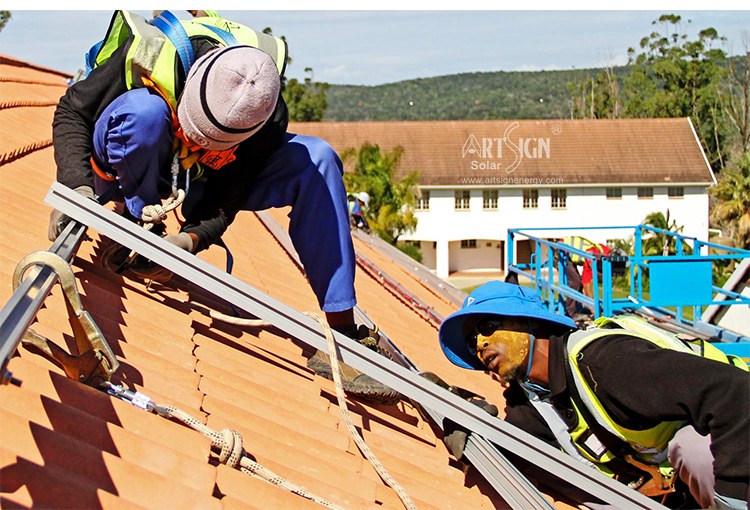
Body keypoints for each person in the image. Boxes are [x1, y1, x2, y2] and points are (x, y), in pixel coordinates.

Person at [47, 10, 398, 404]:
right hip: (129, 154)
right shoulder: (150, 52)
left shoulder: (263, 108)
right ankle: (133, 220)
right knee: (142, 115)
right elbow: (71, 113)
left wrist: (191, 239)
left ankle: (343, 332)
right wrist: (75, 186)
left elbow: (228, 198)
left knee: (317, 159)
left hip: (204, 181)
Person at [436, 280, 749, 509]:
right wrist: (468, 421)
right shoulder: (533, 404)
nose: (479, 344)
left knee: (692, 448)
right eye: (471, 339)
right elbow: (520, 451)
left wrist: (730, 502)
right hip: (682, 491)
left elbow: (735, 393)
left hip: (737, 440)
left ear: (529, 320)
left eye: (487, 326)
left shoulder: (605, 362)